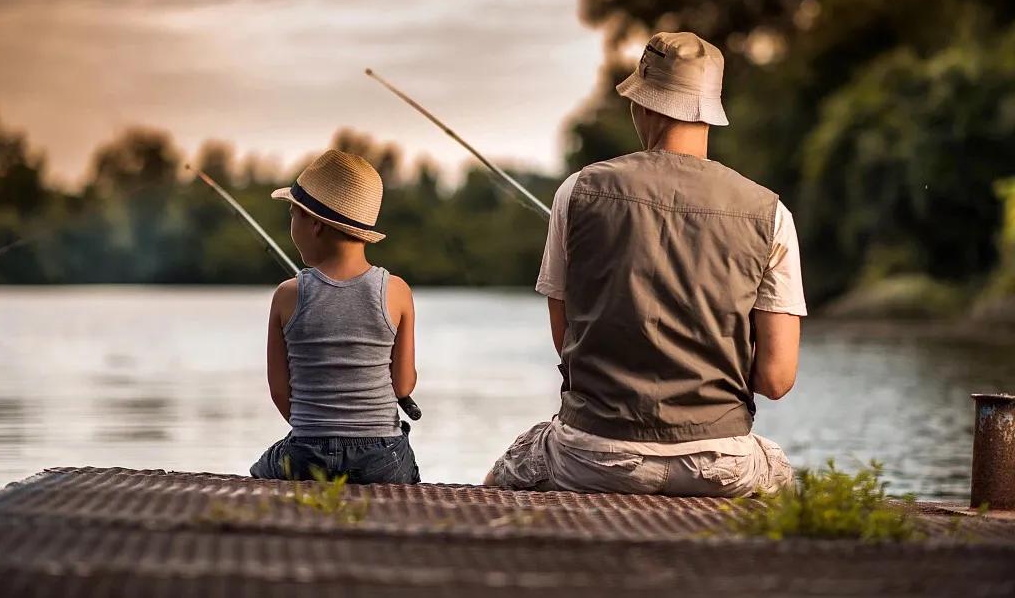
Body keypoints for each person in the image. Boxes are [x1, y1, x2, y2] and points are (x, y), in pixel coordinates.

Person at [486, 32, 806, 496]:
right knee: (787, 484)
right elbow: (776, 380)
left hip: (591, 455)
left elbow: (566, 341)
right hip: (719, 463)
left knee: (499, 478)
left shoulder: (576, 192)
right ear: (709, 113)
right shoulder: (771, 213)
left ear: (645, 105)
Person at [250, 149, 420, 484]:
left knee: (262, 469)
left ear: (314, 223)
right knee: (403, 465)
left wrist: (317, 433)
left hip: (306, 452)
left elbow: (280, 391)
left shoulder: (287, 294)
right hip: (381, 456)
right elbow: (403, 384)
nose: (291, 223)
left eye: (292, 214)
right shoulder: (397, 291)